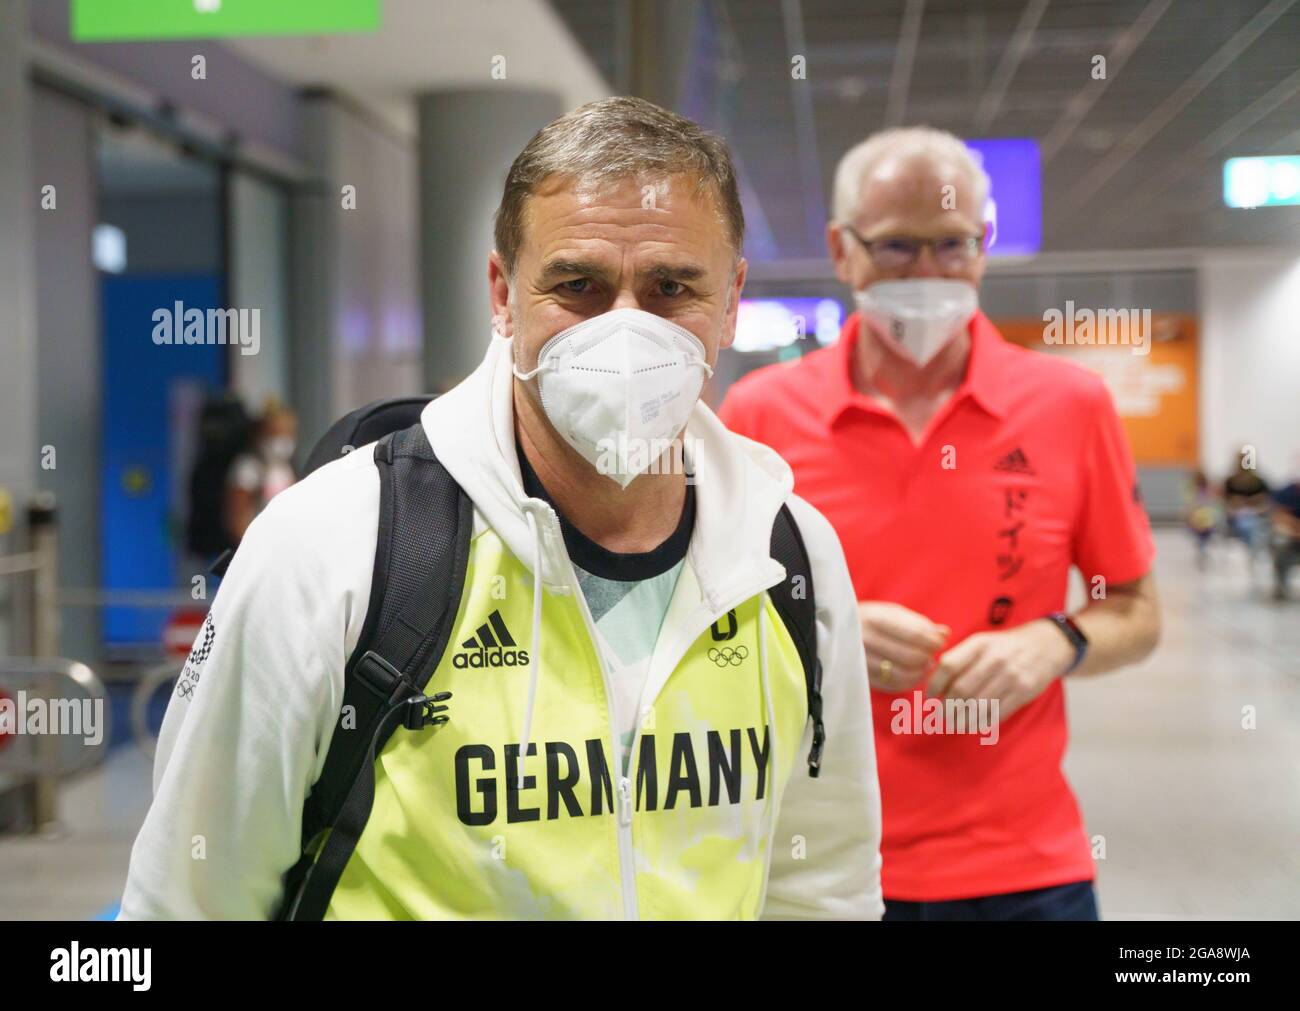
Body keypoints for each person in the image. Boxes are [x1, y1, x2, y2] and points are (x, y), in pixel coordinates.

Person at [119, 97, 883, 920]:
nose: (625, 332)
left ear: (730, 300)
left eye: (671, 288)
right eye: (578, 286)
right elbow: (188, 901)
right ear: (502, 294)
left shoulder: (786, 553)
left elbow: (819, 887)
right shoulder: (334, 543)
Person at [719, 126, 1161, 921]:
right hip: (817, 861)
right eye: (896, 247)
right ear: (842, 249)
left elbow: (1135, 608)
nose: (927, 272)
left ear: (984, 244)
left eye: (951, 245)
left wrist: (1055, 639)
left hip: (1023, 867)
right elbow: (711, 623)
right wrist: (830, 634)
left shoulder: (1069, 406)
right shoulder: (761, 414)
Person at [225, 398, 298, 542]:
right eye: (276, 433)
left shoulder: (286, 467)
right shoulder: (247, 468)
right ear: (261, 433)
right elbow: (238, 518)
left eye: (288, 433)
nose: (283, 440)